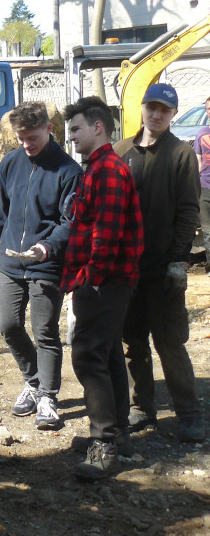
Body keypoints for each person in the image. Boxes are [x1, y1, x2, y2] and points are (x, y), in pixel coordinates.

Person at [0, 102, 82, 430]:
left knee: (45, 332)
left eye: (31, 137)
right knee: (8, 324)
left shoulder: (68, 171)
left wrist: (47, 248)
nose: (26, 144)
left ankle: (48, 396)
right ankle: (32, 381)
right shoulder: (10, 162)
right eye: (20, 138)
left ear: (49, 129)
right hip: (10, 261)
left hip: (46, 264)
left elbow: (71, 222)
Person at [114, 83, 205, 442]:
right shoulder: (120, 151)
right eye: (152, 107)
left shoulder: (182, 154)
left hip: (163, 268)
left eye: (164, 110)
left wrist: (179, 261)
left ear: (173, 115)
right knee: (131, 342)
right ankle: (141, 408)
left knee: (169, 343)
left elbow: (188, 211)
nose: (156, 115)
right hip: (126, 270)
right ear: (142, 108)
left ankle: (189, 414)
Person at [61, 96, 144, 479]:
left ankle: (104, 445)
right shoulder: (98, 168)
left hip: (105, 282)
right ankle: (119, 435)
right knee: (107, 353)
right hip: (106, 281)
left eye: (76, 128)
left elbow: (106, 237)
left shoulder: (108, 170)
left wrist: (89, 278)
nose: (72, 136)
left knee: (87, 356)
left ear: (98, 127)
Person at [191, 96, 210, 272]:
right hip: (205, 187)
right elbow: (198, 160)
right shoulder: (201, 133)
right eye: (208, 109)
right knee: (208, 231)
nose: (209, 112)